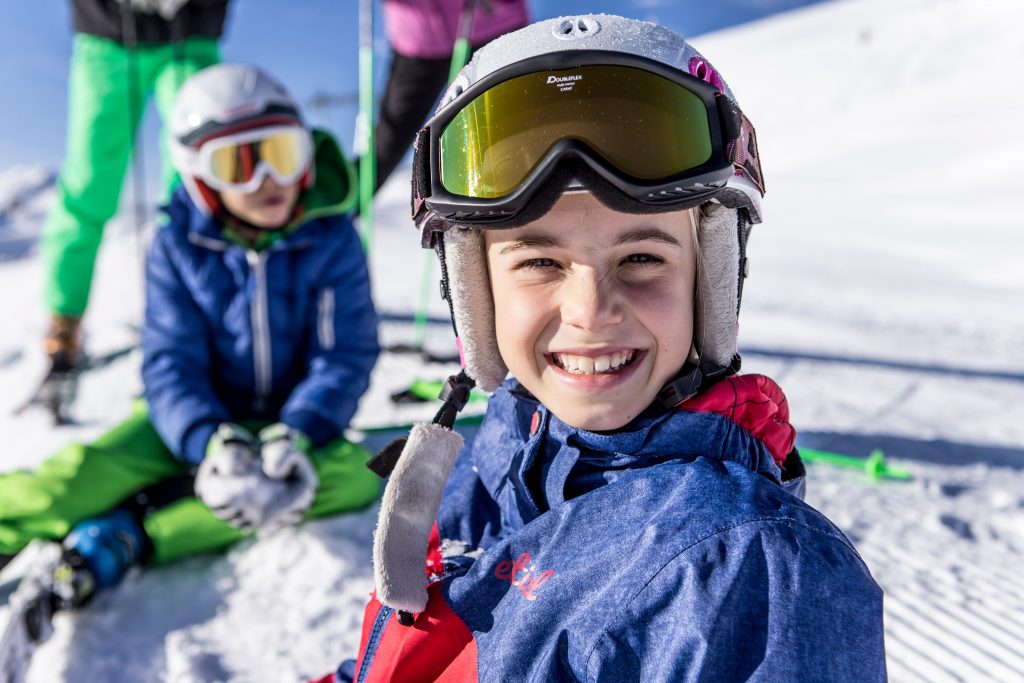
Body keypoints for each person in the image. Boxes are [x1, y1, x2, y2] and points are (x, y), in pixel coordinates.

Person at [328, 15, 887, 682]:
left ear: (710, 281)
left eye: (642, 257)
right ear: (475, 293)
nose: (591, 311)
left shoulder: (747, 567)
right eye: (539, 262)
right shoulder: (498, 458)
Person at [0, 64, 380, 613]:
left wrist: (299, 431)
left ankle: (131, 535)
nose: (266, 179)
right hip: (187, 421)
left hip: (287, 428)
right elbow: (170, 360)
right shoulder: (178, 244)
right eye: (238, 164)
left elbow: (343, 355)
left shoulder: (333, 235)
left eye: (281, 152)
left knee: (350, 480)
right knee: (74, 479)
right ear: (201, 177)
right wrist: (207, 438)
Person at [38, 0, 230, 411]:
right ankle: (63, 327)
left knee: (197, 181)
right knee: (89, 183)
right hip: (106, 32)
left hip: (189, 30)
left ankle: (193, 323)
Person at [374, 0, 528, 191]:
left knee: (520, 134)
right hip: (419, 38)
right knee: (386, 148)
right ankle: (336, 213)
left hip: (492, 24)